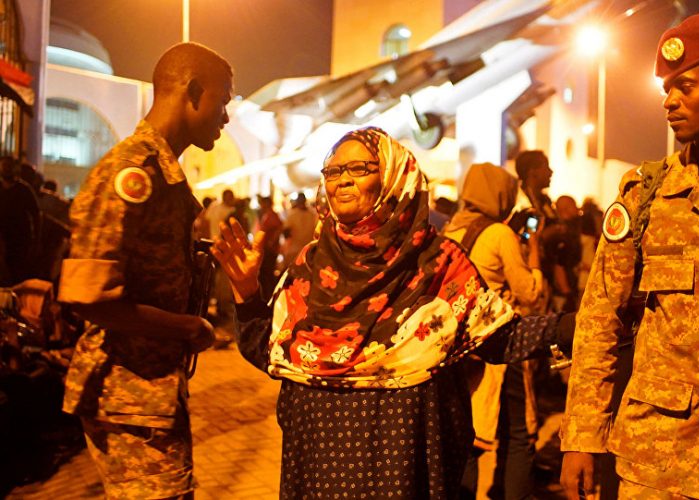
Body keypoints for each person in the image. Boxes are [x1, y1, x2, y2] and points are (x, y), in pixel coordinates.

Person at [211, 127, 573, 499]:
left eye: (359, 168)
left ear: (394, 177)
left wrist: (574, 327)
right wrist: (247, 294)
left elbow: (501, 337)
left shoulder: (438, 264)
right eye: (333, 171)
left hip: (401, 472)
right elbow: (269, 351)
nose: (342, 180)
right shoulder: (310, 266)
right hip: (316, 473)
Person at [560, 7, 699, 499]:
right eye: (666, 89)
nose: (669, 101)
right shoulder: (648, 195)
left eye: (685, 87)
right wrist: (582, 436)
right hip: (660, 462)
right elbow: (600, 319)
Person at [56, 42, 231, 499]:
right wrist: (187, 326)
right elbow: (88, 295)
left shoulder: (162, 172)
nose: (226, 117)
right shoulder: (133, 171)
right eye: (223, 101)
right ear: (194, 91)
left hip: (147, 394)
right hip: (127, 393)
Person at [443, 163, 544, 499]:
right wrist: (534, 250)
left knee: (467, 436)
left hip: (457, 348)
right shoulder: (500, 234)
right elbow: (529, 293)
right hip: (500, 345)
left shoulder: (450, 230)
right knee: (519, 434)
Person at [0, 156, 41, 286]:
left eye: (9, 166)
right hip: (2, 237)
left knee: (17, 272)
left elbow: (36, 214)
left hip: (20, 238)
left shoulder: (24, 189)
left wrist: (36, 238)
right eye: (4, 166)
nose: (6, 169)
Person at [280, 192, 317, 270]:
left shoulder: (293, 214)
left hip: (297, 250)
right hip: (305, 251)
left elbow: (286, 232)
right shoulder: (312, 215)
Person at [256, 195, 283, 300]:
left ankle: (269, 297)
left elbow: (278, 228)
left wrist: (272, 242)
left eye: (262, 203)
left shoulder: (271, 215)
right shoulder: (267, 215)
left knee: (267, 274)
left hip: (269, 250)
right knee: (265, 274)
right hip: (266, 249)